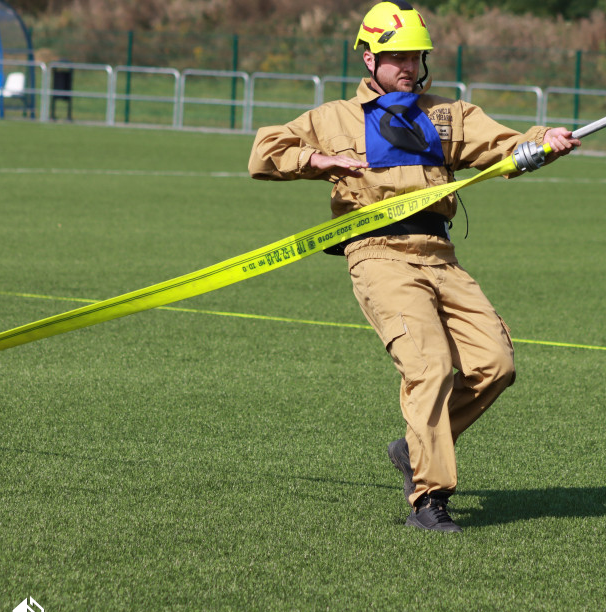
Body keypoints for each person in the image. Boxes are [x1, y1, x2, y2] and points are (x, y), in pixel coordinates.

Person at [248, 1, 579, 532]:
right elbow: (264, 151)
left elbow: (507, 145)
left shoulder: (450, 114)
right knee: (427, 367)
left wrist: (545, 141)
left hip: (440, 254)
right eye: (394, 56)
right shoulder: (333, 118)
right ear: (368, 58)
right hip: (377, 256)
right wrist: (317, 160)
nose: (406, 65)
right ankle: (430, 499)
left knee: (496, 365)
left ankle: (414, 448)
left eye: (415, 56)